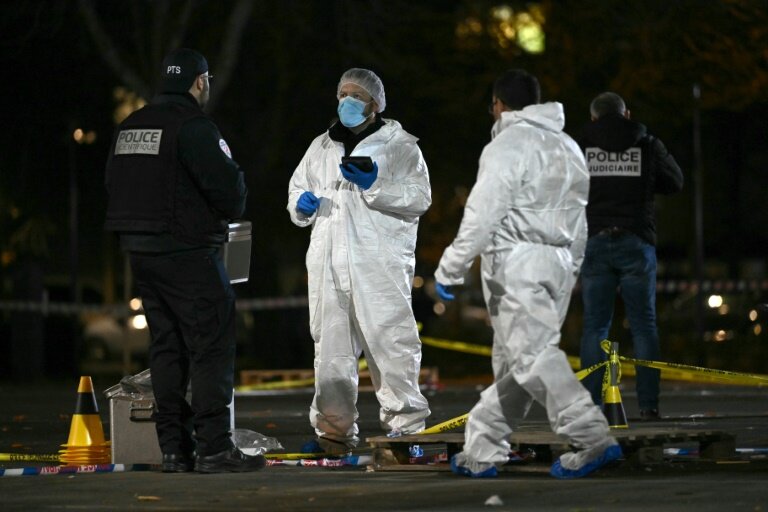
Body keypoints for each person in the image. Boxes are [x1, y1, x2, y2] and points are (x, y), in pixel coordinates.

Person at [434, 69, 621, 479]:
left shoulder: (507, 145)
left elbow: (481, 215)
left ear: (498, 105)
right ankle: (482, 449)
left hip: (515, 266)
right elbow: (580, 221)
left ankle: (592, 438)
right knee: (515, 366)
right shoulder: (568, 146)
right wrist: (569, 271)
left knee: (533, 358)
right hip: (556, 265)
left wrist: (451, 268)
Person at [104, 48, 264, 473]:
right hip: (189, 253)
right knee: (211, 346)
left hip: (141, 255)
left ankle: (173, 450)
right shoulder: (194, 128)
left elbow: (111, 183)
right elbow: (231, 194)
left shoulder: (130, 126)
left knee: (167, 347)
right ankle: (214, 447)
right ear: (199, 82)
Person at [287, 68, 431, 454]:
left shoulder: (400, 146)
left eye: (356, 94)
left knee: (392, 345)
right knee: (331, 352)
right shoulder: (321, 145)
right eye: (342, 93)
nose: (347, 100)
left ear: (375, 104)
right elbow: (298, 186)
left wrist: (376, 186)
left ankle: (406, 432)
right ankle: (333, 433)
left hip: (378, 265)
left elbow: (419, 198)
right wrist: (300, 206)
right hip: (328, 265)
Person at [578, 92, 684, 419]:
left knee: (595, 326)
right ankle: (649, 406)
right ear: (627, 114)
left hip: (594, 239)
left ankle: (591, 408)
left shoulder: (578, 145)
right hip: (637, 240)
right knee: (644, 325)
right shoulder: (647, 143)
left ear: (594, 118)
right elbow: (675, 182)